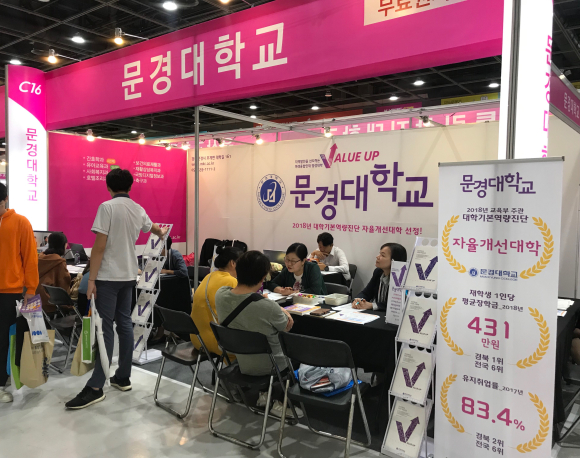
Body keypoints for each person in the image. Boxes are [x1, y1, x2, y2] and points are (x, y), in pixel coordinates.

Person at [65, 169, 168, 410]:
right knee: (124, 324)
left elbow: (99, 247)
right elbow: (153, 227)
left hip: (108, 276)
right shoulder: (137, 208)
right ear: (130, 186)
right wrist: (161, 232)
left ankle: (96, 386)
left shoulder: (107, 207)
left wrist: (91, 279)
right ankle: (122, 377)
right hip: (128, 275)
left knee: (104, 328)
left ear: (108, 187)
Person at [215, 250, 295, 416]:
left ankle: (264, 395)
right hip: (273, 365)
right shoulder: (268, 307)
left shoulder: (220, 295)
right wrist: (282, 310)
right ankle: (280, 401)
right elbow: (287, 326)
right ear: (263, 277)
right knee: (297, 352)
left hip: (242, 361)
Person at [0, 182, 39, 403]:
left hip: (10, 292)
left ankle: (1, 382)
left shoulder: (20, 222)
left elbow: (30, 258)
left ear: (5, 200)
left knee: (5, 339)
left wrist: (31, 289)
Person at [191, 246, 242, 355]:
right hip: (217, 342)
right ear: (233, 263)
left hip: (197, 339)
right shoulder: (231, 281)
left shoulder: (208, 276)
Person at [352, 242, 407, 311]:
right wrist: (358, 300)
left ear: (394, 260)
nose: (377, 257)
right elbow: (366, 293)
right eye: (379, 254)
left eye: (382, 255)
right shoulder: (378, 272)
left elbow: (397, 304)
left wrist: (372, 305)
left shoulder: (402, 278)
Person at [36, 232, 72, 314]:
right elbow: (64, 285)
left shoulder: (39, 258)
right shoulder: (59, 262)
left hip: (35, 301)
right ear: (64, 245)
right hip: (50, 303)